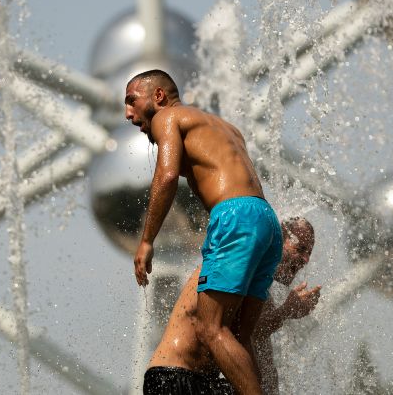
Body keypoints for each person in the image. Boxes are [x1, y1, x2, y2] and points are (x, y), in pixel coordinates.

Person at [126, 69, 283, 394]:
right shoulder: (226, 128)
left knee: (210, 328)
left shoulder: (167, 117)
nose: (128, 114)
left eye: (131, 101)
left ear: (158, 96)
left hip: (234, 215)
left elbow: (167, 176)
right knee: (239, 336)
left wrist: (146, 240)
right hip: (265, 218)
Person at [143, 218, 321, 395]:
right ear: (277, 242)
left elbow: (258, 353)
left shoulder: (260, 292)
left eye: (309, 254)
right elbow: (246, 333)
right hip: (174, 377)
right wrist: (285, 311)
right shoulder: (238, 265)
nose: (305, 259)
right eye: (300, 249)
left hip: (202, 381)